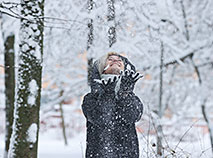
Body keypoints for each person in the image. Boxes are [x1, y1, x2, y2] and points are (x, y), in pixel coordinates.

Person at [82, 52, 143, 158]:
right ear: (101, 69)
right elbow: (101, 118)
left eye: (120, 60)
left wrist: (125, 93)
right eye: (110, 59)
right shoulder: (91, 98)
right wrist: (107, 95)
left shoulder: (132, 97)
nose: (116, 61)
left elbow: (132, 116)